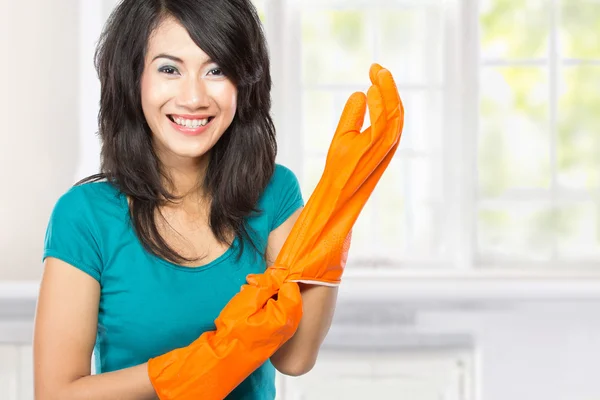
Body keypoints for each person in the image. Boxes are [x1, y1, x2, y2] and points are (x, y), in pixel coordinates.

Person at [33, 0, 340, 398]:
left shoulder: (275, 192)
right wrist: (185, 371)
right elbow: (56, 394)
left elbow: (295, 358)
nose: (194, 97)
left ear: (244, 82)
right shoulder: (86, 216)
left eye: (216, 70)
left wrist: (337, 216)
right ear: (133, 77)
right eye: (169, 69)